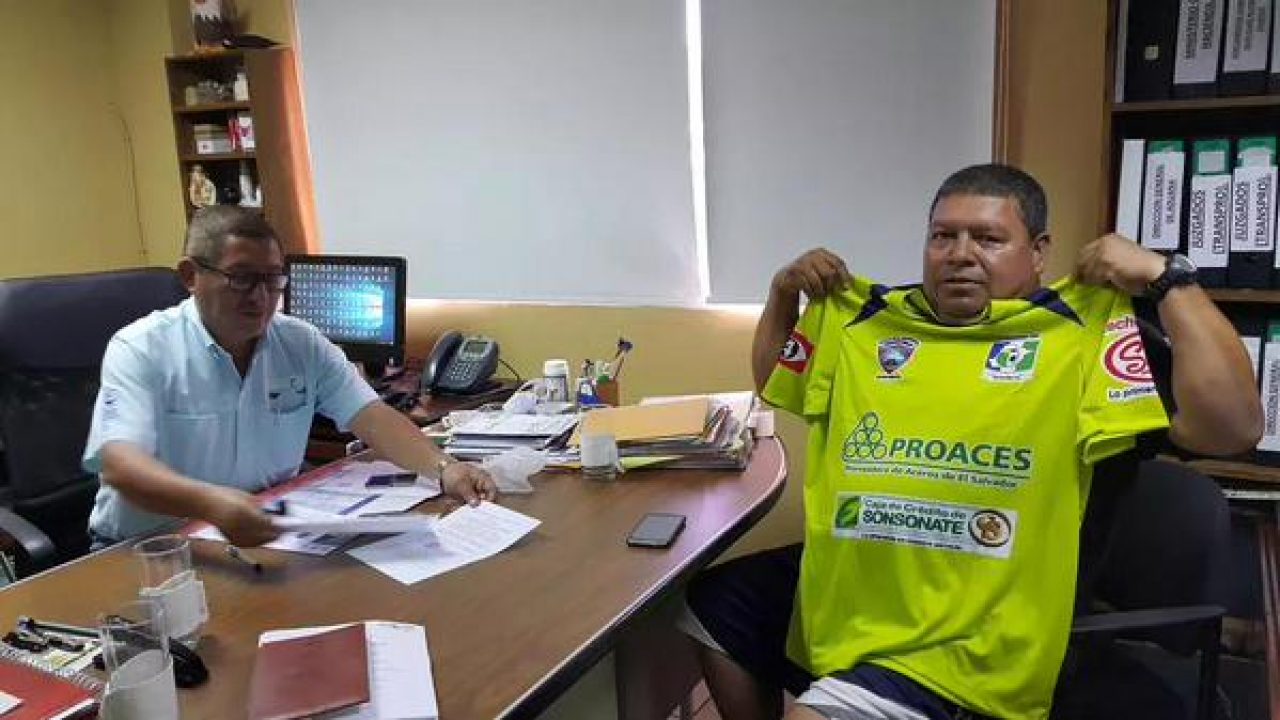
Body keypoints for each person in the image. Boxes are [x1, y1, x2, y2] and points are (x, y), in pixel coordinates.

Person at [684, 164, 1261, 720]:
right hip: (866, 587)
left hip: (974, 624)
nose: (960, 254)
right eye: (943, 236)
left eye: (988, 238)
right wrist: (783, 295)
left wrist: (1166, 278)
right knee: (716, 603)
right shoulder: (872, 322)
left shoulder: (1082, 332)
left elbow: (1233, 428)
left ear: (1039, 251)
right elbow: (778, 381)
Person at [84, 206, 497, 548]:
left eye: (272, 279)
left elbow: (372, 416)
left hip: (262, 534)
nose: (261, 297)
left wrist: (445, 468)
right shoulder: (142, 348)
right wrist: (212, 505)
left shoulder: (300, 342)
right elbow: (122, 467)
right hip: (150, 548)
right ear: (191, 276)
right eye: (241, 278)